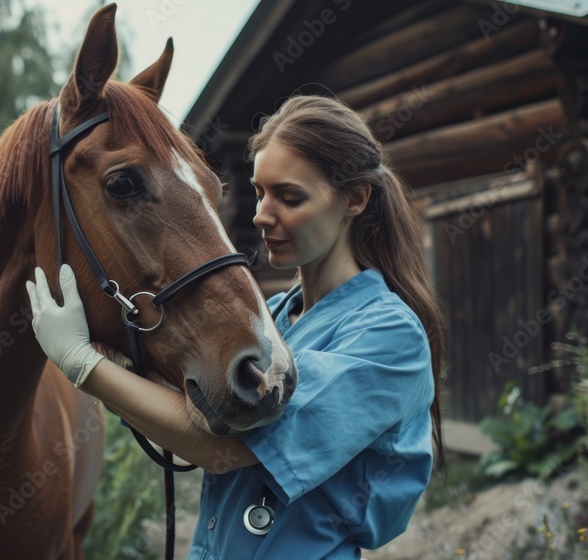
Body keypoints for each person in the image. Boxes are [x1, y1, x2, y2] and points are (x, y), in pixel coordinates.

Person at [25, 94, 444, 558]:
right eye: (260, 192)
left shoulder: (390, 334)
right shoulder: (279, 315)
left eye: (290, 196)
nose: (261, 215)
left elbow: (221, 449)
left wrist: (82, 364)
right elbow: (188, 412)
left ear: (355, 199)